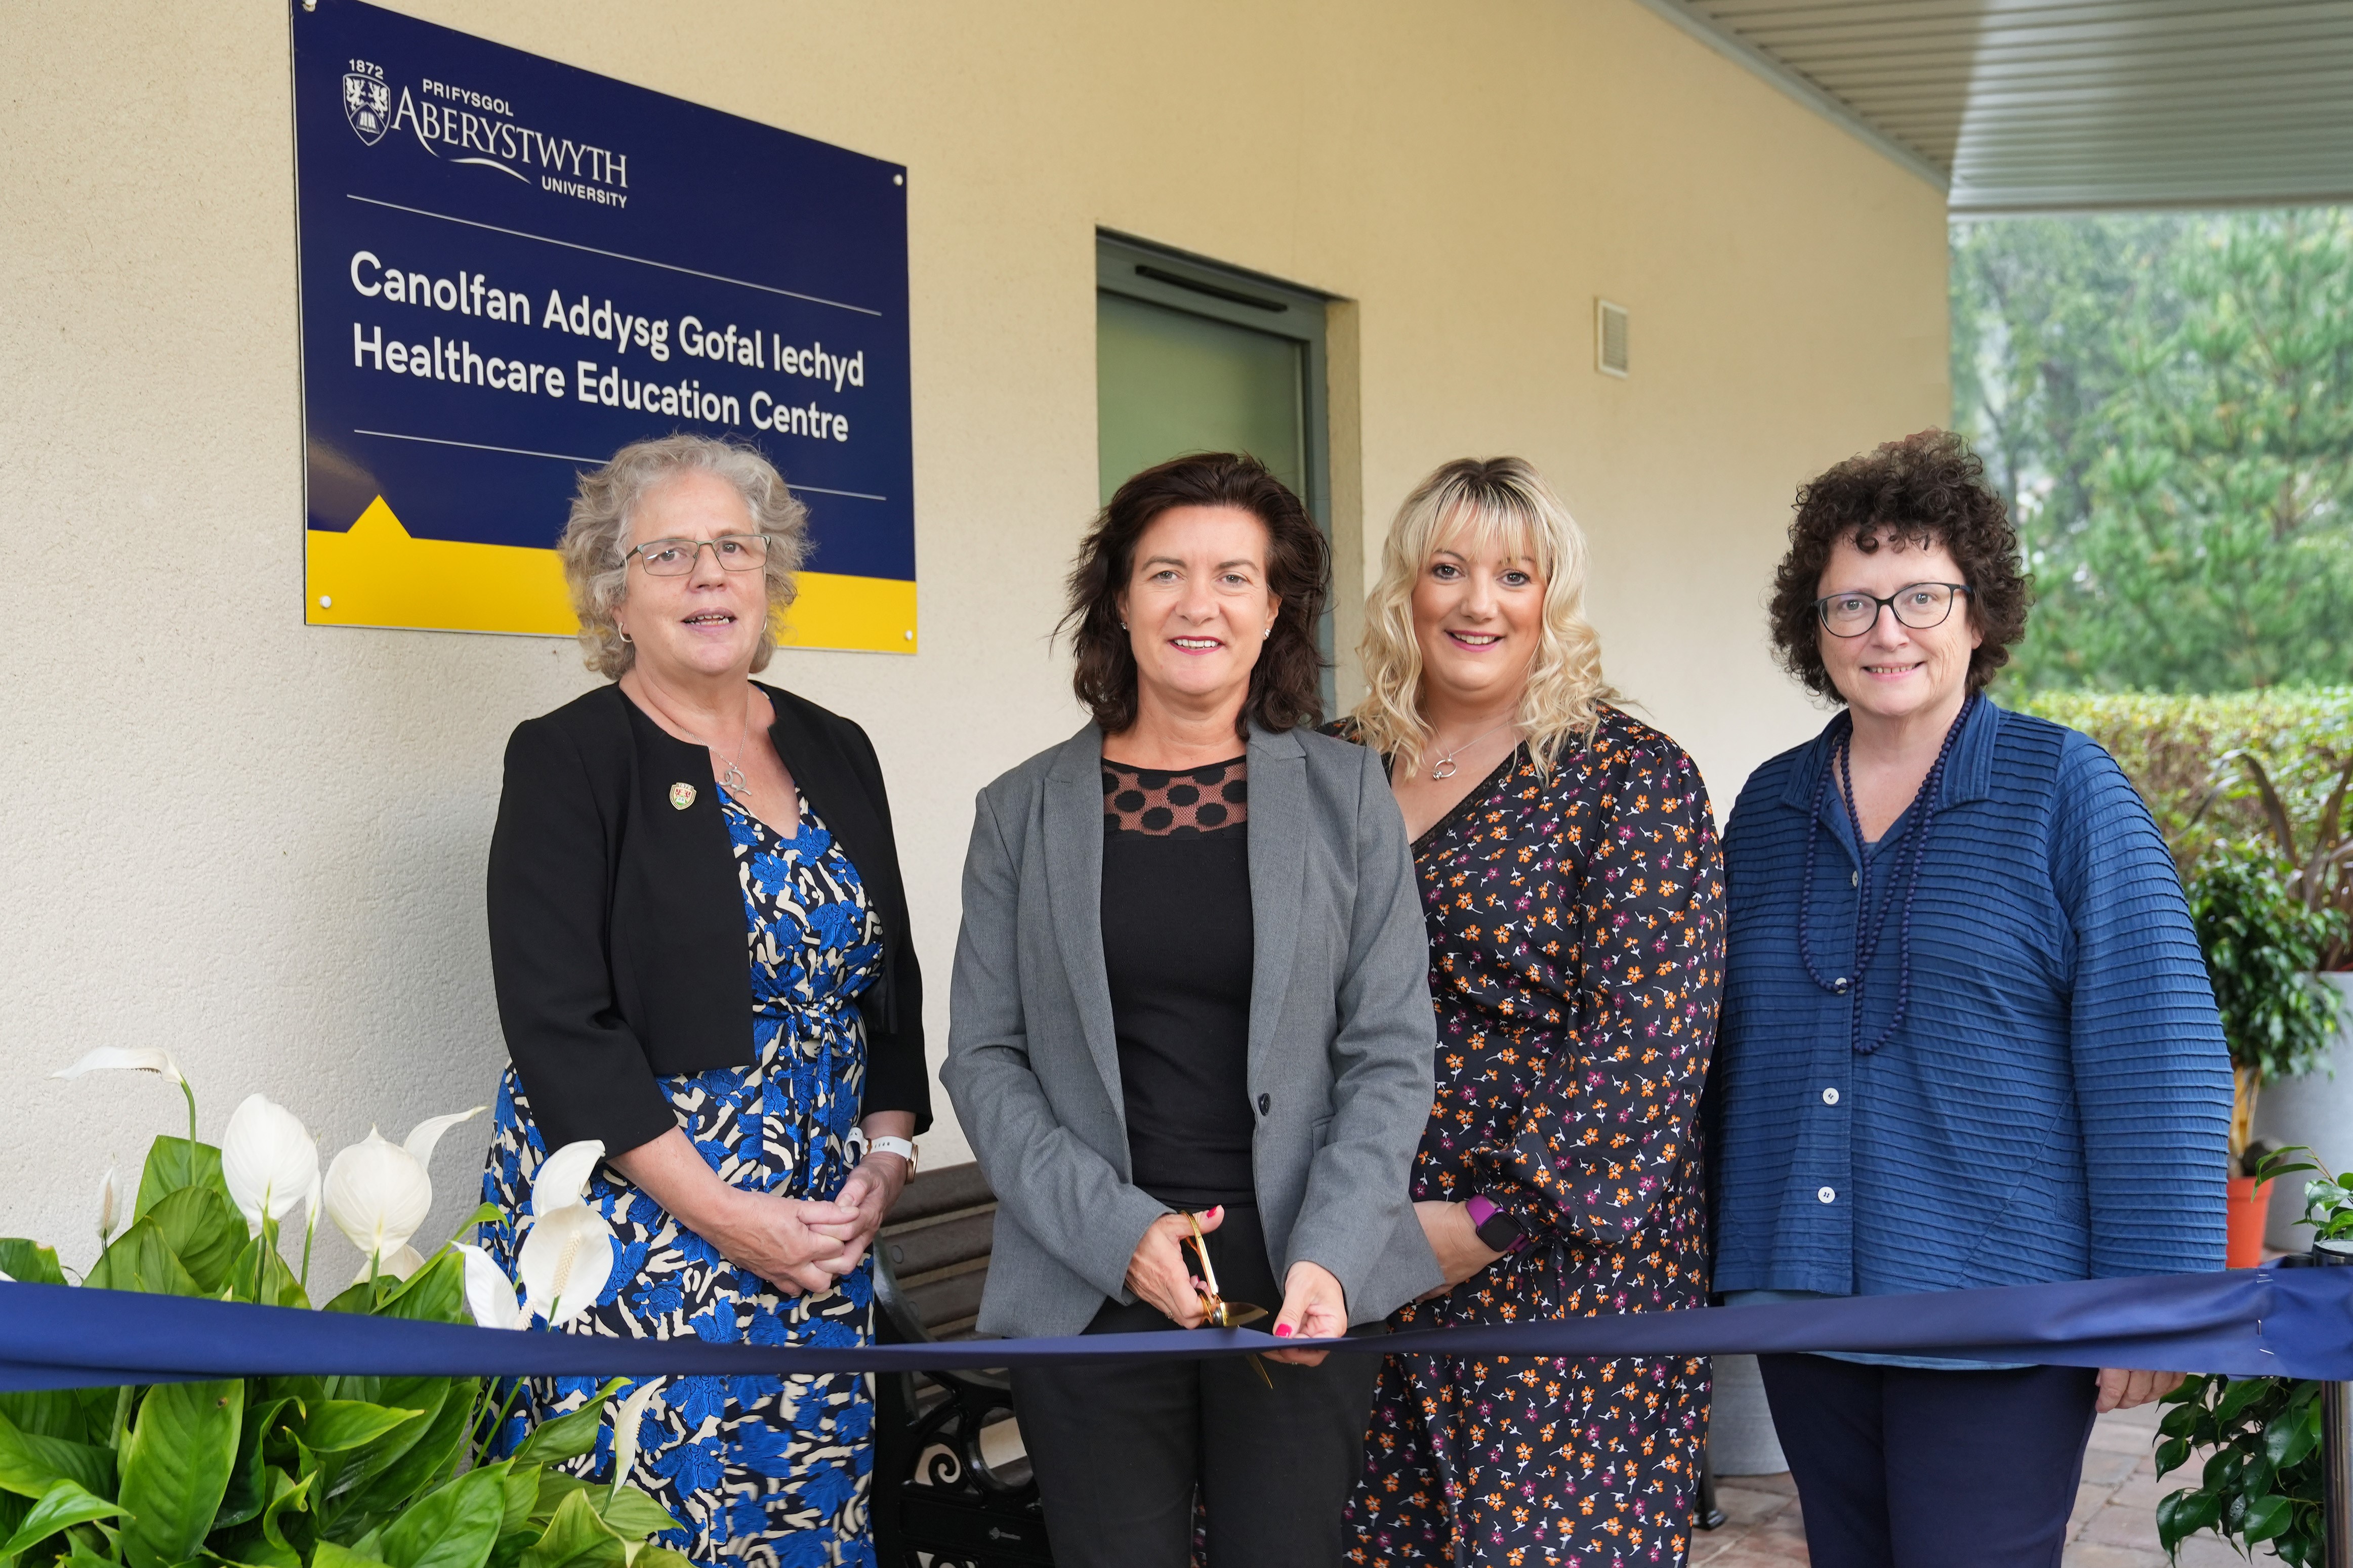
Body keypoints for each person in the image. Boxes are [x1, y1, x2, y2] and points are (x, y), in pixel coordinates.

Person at [1711, 429, 2232, 1568]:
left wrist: (2156, 1296)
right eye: (1850, 604)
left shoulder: (2067, 791)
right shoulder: (1766, 808)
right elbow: (1716, 1042)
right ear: (1814, 629)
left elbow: (2160, 1050)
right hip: (1806, 1295)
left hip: (2002, 1302)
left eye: (1920, 596)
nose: (1884, 629)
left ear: (1980, 612)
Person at [941, 452, 1442, 1568]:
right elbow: (983, 1056)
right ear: (1119, 599)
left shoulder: (1349, 794)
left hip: (1302, 1284)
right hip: (1091, 1284)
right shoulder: (1021, 811)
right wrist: (1122, 1239)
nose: (1197, 603)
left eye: (1232, 575)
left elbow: (1392, 1050)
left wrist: (1335, 1254)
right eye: (1165, 572)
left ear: (1274, 610)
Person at [480, 434, 928, 1568]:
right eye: (668, 552)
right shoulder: (567, 758)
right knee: (647, 1532)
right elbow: (557, 1024)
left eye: (734, 545)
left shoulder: (835, 745)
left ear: (770, 577)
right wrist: (730, 1214)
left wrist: (885, 1156)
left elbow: (888, 978)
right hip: (641, 1238)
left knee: (801, 1524)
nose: (708, 574)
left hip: (818, 1235)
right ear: (611, 592)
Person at [1331, 458, 1726, 1566]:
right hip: (1355, 1255)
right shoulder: (1333, 767)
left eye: (1516, 574)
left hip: (1557, 1282)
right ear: (1404, 589)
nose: (1477, 601)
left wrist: (1486, 1222)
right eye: (1446, 569)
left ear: (1554, 598)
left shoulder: (1627, 776)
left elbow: (1648, 1043)